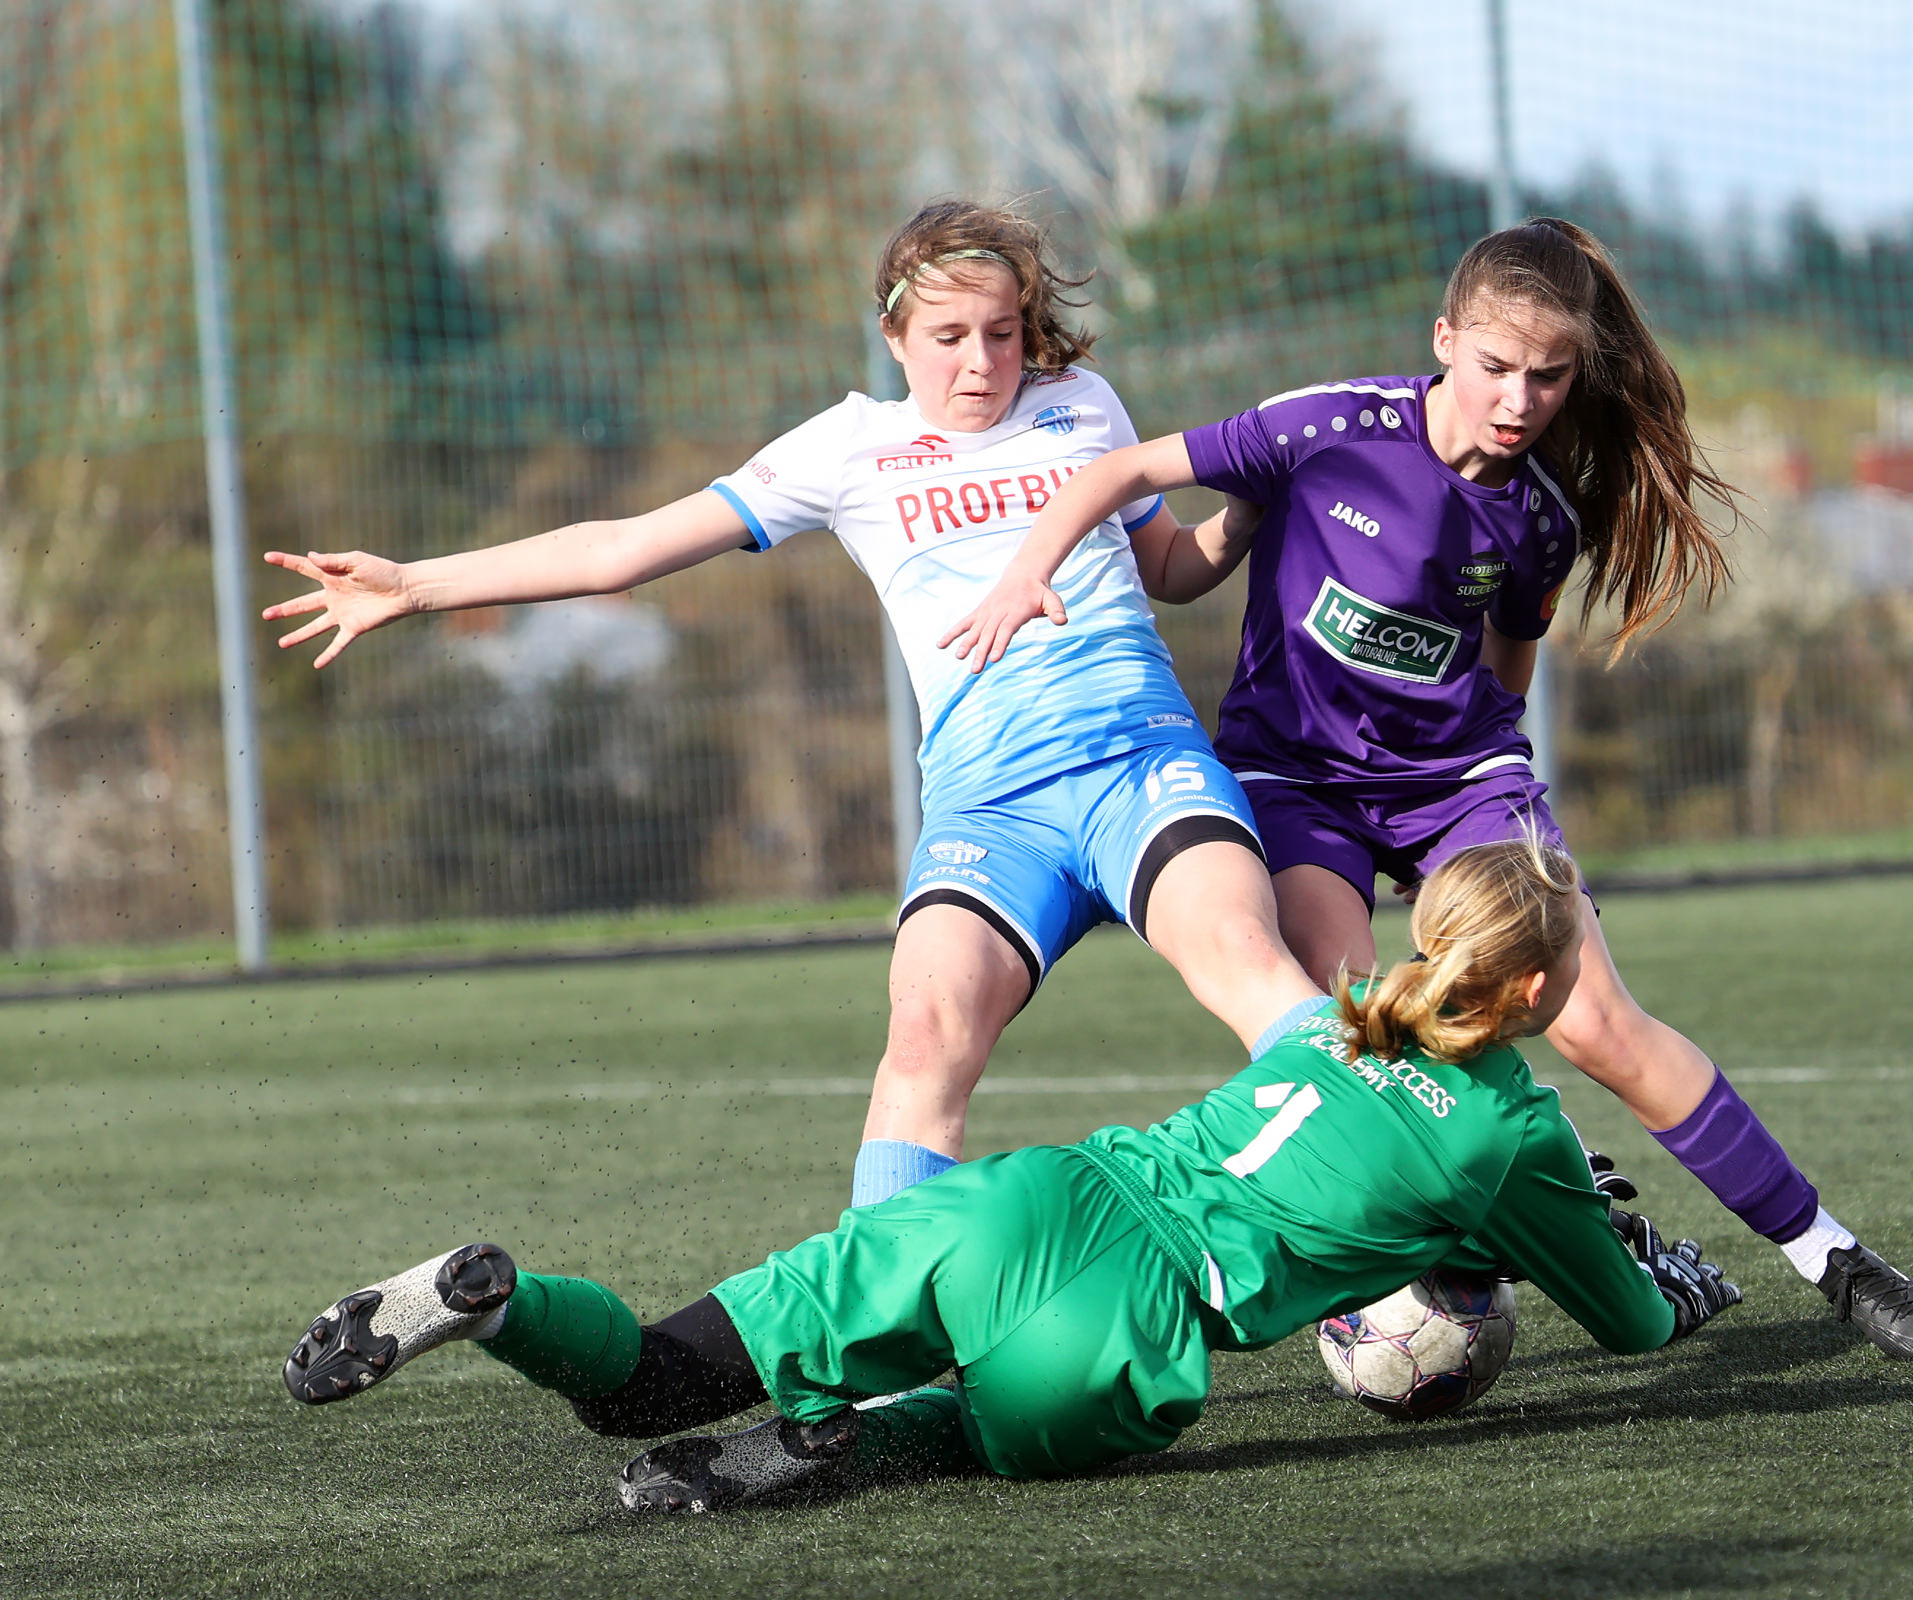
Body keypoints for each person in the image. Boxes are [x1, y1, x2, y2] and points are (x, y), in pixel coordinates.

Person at [938, 218, 1913, 1360]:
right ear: (1444, 342)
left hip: (1459, 780)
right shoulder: (1328, 426)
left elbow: (1505, 666)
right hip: (1298, 781)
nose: (1519, 398)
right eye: (1494, 367)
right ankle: (1578, 1207)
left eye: (1548, 376)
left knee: (1600, 1025)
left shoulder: (1539, 520)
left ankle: (1840, 1261)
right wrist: (1030, 570)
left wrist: (1481, 784)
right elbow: (1123, 471)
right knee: (1352, 1046)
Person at [262, 200, 1326, 1208]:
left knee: (1243, 952)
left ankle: (1384, 1246)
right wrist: (415, 585)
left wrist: (1246, 505)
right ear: (894, 335)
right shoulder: (847, 448)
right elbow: (620, 551)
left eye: (1003, 334)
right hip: (990, 810)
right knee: (922, 1033)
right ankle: (886, 1355)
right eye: (950, 335)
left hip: (1141, 766)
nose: (982, 361)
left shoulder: (1084, 410)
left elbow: (1176, 570)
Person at [281, 838, 1743, 1511]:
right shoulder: (1519, 1134)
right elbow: (1624, 1324)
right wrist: (1669, 1287)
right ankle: (829, 1451)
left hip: (1019, 1201)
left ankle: (498, 1301)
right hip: (1125, 1319)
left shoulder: (1336, 1011)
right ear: (1547, 990)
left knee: (647, 1376)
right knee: (970, 1428)